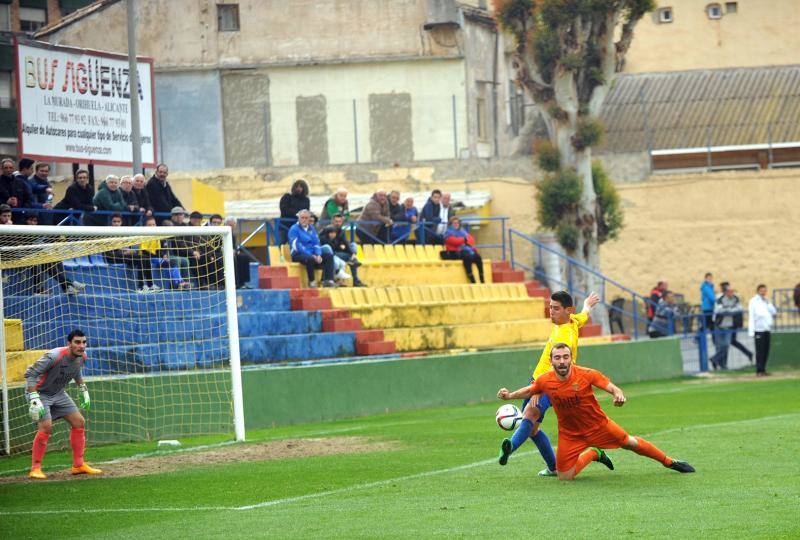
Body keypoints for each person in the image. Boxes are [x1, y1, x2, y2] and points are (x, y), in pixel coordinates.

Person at [497, 343, 695, 480]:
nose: (562, 361)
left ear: (571, 359)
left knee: (630, 443)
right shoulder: (545, 380)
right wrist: (509, 395)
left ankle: (670, 462)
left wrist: (618, 394)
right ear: (552, 362)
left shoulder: (586, 374)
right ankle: (594, 453)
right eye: (558, 358)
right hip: (570, 433)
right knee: (564, 476)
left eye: (566, 357)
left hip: (598, 425)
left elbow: (611, 387)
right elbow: (530, 390)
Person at [498, 290, 600, 476]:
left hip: (550, 383)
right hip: (543, 382)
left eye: (555, 308)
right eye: (550, 307)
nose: (550, 311)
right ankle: (553, 466)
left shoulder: (564, 337)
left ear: (568, 310)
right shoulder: (572, 321)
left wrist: (538, 390)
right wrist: (588, 304)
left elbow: (559, 367)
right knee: (533, 429)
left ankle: (509, 448)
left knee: (529, 414)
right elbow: (584, 315)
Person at [24, 329, 103, 479]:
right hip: (40, 393)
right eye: (77, 342)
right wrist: (34, 397)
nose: (81, 346)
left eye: (84, 342)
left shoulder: (82, 357)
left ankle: (78, 465)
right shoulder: (54, 356)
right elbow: (30, 374)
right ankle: (35, 469)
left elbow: (76, 371)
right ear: (69, 344)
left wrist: (82, 388)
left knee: (79, 422)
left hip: (58, 393)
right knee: (46, 427)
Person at [22, 212, 87, 295]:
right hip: (18, 258)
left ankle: (68, 287)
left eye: (35, 221)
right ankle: (69, 284)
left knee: (55, 260)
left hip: (35, 257)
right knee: (43, 263)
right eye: (30, 220)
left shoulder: (37, 232)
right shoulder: (16, 230)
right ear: (25, 221)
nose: (33, 223)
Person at [105, 214, 158, 293]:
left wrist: (131, 251)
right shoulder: (106, 233)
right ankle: (141, 287)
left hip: (125, 256)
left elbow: (129, 248)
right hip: (112, 256)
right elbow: (109, 251)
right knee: (141, 258)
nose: (116, 224)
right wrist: (124, 252)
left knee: (145, 257)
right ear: (111, 222)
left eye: (118, 221)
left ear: (121, 222)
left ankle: (150, 285)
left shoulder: (124, 233)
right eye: (114, 221)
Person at [140, 215, 191, 289]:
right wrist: (160, 257)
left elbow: (160, 249)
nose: (152, 226)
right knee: (170, 262)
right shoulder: (143, 237)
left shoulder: (157, 236)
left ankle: (182, 282)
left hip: (157, 258)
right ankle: (177, 284)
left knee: (174, 262)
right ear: (145, 226)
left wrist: (163, 255)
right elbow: (144, 251)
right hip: (147, 259)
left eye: (153, 224)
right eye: (149, 225)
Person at [288, 209, 335, 288]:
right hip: (298, 254)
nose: (304, 220)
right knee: (310, 258)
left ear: (309, 219)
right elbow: (296, 245)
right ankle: (312, 281)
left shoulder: (311, 228)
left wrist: (318, 254)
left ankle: (328, 280)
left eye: (306, 218)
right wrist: (311, 255)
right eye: (302, 218)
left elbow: (316, 243)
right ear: (299, 218)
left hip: (311, 253)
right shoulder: (294, 229)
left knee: (328, 256)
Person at [709, 285, 745, 370]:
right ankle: (719, 363)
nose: (731, 293)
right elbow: (718, 310)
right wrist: (731, 309)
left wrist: (727, 310)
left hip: (729, 325)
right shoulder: (719, 298)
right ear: (725, 292)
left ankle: (716, 360)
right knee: (719, 345)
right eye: (729, 291)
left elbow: (739, 308)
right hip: (719, 325)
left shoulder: (736, 298)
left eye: (732, 291)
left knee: (726, 345)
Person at [442, 216, 484, 284]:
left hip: (465, 249)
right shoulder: (448, 232)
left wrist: (464, 240)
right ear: (450, 224)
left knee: (477, 257)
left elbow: (471, 240)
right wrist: (464, 240)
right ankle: (471, 278)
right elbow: (454, 241)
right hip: (455, 252)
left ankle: (482, 278)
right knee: (467, 257)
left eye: (457, 223)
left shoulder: (463, 231)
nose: (456, 224)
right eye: (454, 223)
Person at [719, 282, 753, 363]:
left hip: (732, 323)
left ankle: (717, 360)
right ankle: (748, 353)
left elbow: (738, 308)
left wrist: (729, 310)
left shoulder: (734, 298)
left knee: (727, 342)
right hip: (726, 323)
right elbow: (721, 309)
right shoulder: (722, 298)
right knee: (731, 341)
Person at [748, 284, 777, 376]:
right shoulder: (753, 301)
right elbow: (751, 316)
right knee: (760, 351)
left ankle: (763, 369)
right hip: (758, 329)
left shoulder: (767, 301)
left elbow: (774, 312)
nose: (763, 292)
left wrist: (768, 303)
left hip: (766, 329)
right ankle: (759, 370)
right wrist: (751, 330)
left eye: (765, 290)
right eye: (761, 290)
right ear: (758, 291)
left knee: (766, 350)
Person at [222, 216, 254, 289]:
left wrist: (235, 251)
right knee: (233, 259)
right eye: (229, 225)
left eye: (233, 226)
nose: (231, 227)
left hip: (231, 253)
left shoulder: (233, 235)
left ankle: (243, 282)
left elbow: (234, 247)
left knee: (244, 257)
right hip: (221, 254)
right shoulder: (221, 233)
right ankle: (236, 283)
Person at [0, 158, 33, 223]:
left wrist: (22, 209)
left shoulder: (20, 182)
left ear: (13, 169)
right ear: (2, 169)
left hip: (19, 217)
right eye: (6, 168)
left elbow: (28, 199)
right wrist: (6, 202)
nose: (8, 170)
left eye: (10, 167)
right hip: (2, 218)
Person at [278, 179, 310, 244]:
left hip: (298, 227)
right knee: (281, 244)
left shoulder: (306, 200)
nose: (298, 189)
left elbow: (305, 212)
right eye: (297, 187)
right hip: (285, 226)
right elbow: (284, 211)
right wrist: (298, 213)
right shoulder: (287, 197)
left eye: (301, 187)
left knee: (297, 245)